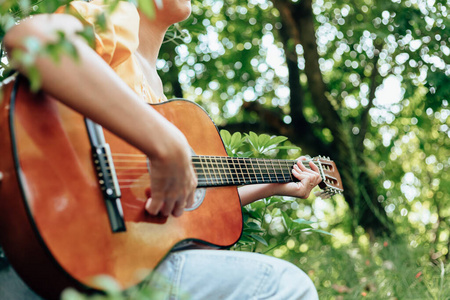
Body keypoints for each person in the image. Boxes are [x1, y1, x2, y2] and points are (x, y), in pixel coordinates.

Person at [1, 0, 322, 299]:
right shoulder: (116, 14)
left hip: (107, 260)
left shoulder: (155, 92)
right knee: (280, 284)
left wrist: (274, 185)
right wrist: (166, 143)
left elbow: (186, 214)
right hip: (49, 250)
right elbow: (33, 38)